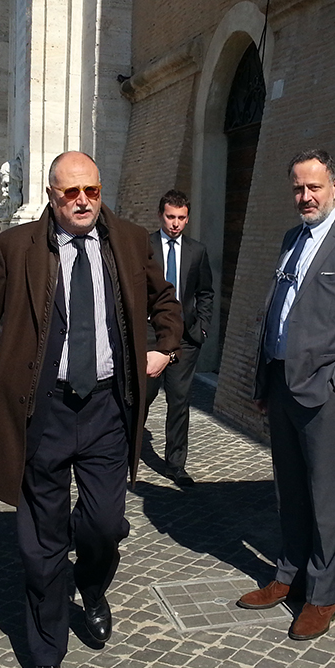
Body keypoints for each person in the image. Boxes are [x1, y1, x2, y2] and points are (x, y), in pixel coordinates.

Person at [0, 151, 181, 668]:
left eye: (92, 190)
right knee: (42, 544)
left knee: (106, 524)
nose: (82, 201)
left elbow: (165, 301)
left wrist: (164, 349)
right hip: (45, 412)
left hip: (109, 407)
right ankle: (46, 655)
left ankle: (92, 585)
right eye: (70, 193)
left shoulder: (131, 241)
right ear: (52, 195)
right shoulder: (16, 248)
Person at [237, 150, 335, 641]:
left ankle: (322, 596)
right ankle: (288, 576)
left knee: (325, 500)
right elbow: (277, 310)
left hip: (323, 392)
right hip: (281, 384)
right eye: (298, 189)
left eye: (314, 188)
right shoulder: (291, 238)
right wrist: (265, 381)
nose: (305, 197)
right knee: (290, 491)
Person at [145, 189, 213, 487]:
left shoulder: (197, 251)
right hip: (150, 336)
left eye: (181, 218)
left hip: (185, 339)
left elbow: (205, 292)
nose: (175, 223)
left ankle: (175, 464)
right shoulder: (143, 246)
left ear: (187, 219)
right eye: (170, 217)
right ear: (161, 215)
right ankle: (124, 456)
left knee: (180, 401)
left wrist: (202, 328)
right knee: (141, 398)